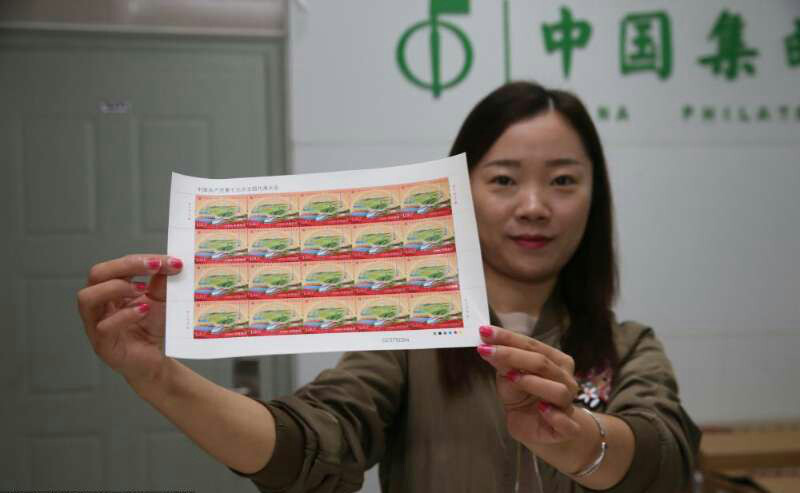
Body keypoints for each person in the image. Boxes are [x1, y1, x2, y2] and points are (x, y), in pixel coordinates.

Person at [77, 81, 700, 493]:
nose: (534, 207)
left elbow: (667, 462)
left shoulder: (628, 345)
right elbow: (315, 443)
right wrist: (160, 378)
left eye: (563, 181)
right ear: (458, 193)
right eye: (504, 180)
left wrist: (575, 435)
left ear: (595, 197)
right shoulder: (409, 338)